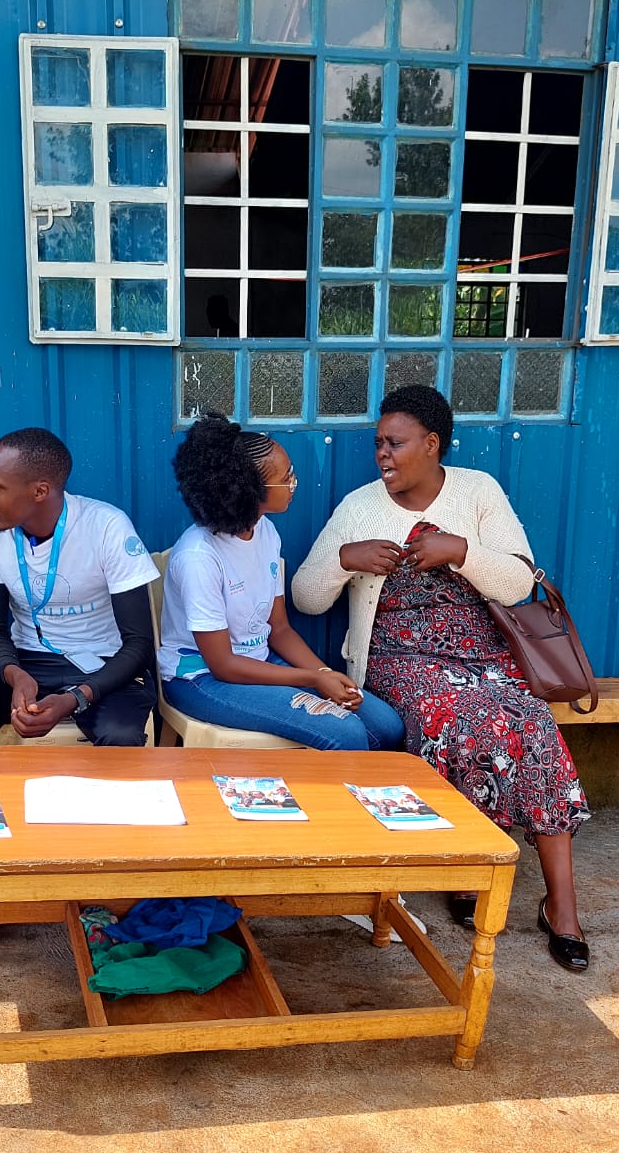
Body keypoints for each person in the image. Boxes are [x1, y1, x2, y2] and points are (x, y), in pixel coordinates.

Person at [293, 384, 592, 973]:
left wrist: (461, 551)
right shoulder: (359, 507)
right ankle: (463, 874)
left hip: (482, 653)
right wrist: (344, 559)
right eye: (378, 443)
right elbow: (304, 596)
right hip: (398, 656)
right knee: (453, 718)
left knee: (532, 726)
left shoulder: (478, 492)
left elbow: (518, 583)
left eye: (395, 443)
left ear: (432, 445)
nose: (382, 454)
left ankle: (562, 904)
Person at [0, 427, 159, 955]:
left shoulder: (106, 528)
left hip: (101, 664)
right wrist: (14, 675)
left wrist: (77, 697)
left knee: (123, 733)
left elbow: (138, 645)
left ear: (39, 490)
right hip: (23, 661)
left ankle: (103, 884)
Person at [159, 412, 405, 751]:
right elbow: (223, 665)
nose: (294, 482)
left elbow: (280, 629)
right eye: (285, 477)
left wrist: (323, 673)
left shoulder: (265, 531)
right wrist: (313, 679)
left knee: (386, 727)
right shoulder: (199, 557)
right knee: (346, 735)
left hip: (259, 662)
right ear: (247, 491)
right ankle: (327, 803)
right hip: (202, 678)